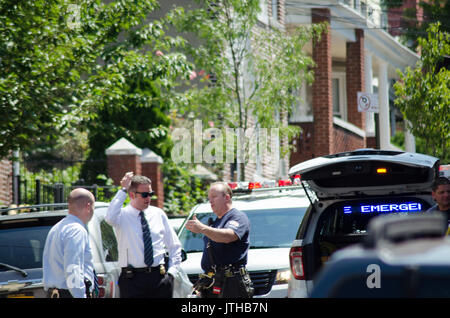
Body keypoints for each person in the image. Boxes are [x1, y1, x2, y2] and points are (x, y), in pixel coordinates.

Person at [106, 172, 182, 298]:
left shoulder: (158, 214)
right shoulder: (122, 216)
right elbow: (109, 218)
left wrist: (172, 273)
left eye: (151, 194)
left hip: (159, 277)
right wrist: (123, 189)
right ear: (132, 195)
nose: (149, 198)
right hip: (132, 280)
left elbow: (174, 245)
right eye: (145, 195)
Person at [185, 181, 253, 298]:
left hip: (232, 283)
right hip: (213, 282)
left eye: (214, 197)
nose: (210, 201)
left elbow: (228, 236)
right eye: (209, 198)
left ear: (226, 197)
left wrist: (202, 228)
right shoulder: (215, 222)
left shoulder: (238, 217)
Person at [43, 188, 96, 298]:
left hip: (54, 293)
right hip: (70, 294)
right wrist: (79, 295)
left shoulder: (57, 228)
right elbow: (73, 267)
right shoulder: (76, 230)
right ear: (88, 206)